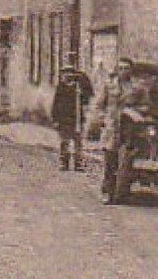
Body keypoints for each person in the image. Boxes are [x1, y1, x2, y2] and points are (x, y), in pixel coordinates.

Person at [95, 58, 145, 198]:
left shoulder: (138, 87)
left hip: (130, 128)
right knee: (109, 161)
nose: (123, 71)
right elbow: (99, 105)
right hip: (112, 127)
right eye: (120, 68)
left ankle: (122, 190)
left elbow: (145, 105)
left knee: (126, 161)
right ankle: (107, 191)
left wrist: (134, 110)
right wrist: (102, 119)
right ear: (117, 70)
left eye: (126, 68)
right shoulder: (109, 85)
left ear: (131, 71)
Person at [50, 59, 94, 172]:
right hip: (64, 119)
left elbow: (88, 96)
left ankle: (78, 163)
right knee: (64, 141)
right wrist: (55, 119)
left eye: (70, 72)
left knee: (78, 142)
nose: (67, 75)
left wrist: (82, 93)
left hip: (77, 119)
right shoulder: (60, 88)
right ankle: (64, 163)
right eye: (65, 73)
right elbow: (55, 104)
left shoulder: (79, 87)